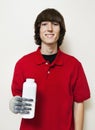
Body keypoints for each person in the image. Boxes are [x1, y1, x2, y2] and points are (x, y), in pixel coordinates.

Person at [9, 8, 90, 130]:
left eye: (55, 24)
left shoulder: (74, 65)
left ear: (60, 30)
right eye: (44, 24)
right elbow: (19, 96)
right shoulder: (23, 63)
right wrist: (14, 103)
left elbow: (79, 103)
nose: (50, 29)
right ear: (38, 30)